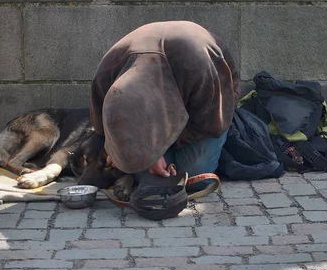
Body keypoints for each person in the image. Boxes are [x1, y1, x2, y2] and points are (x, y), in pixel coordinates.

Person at [89, 21, 241, 185]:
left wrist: (156, 149)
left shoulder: (199, 68)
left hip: (209, 108)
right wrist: (117, 146)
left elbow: (211, 123)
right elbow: (101, 127)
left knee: (193, 178)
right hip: (166, 91)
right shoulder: (105, 77)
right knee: (150, 177)